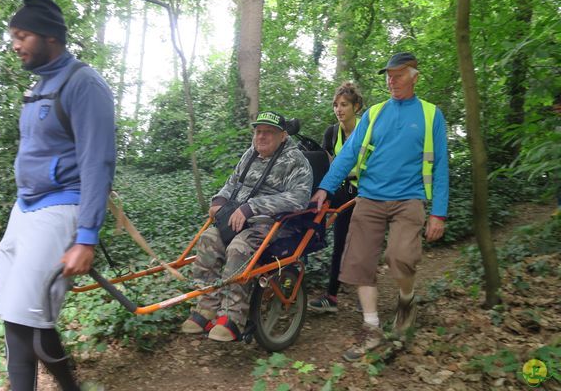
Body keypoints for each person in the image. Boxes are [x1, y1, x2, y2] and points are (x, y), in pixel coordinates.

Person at [0, 0, 116, 390]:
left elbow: (98, 164)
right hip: (25, 207)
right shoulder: (40, 86)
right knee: (18, 307)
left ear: (50, 37)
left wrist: (86, 237)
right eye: (13, 35)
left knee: (23, 317)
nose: (14, 44)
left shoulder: (84, 84)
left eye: (22, 35)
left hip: (61, 207)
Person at [311, 52, 449, 361]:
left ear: (415, 75)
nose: (392, 79)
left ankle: (406, 300)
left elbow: (440, 166)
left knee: (400, 257)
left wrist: (438, 212)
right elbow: (347, 155)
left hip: (409, 198)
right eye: (389, 74)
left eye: (399, 74)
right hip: (370, 197)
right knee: (359, 263)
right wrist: (325, 187)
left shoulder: (430, 115)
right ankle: (371, 328)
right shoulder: (374, 114)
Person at [180, 111, 313, 342]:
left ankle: (233, 317)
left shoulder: (296, 161)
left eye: (268, 132)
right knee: (208, 239)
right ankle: (206, 308)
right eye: (258, 131)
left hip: (272, 224)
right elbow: (232, 183)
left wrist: (253, 207)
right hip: (236, 218)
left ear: (282, 136)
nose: (261, 137)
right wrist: (219, 201)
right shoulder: (251, 154)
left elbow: (299, 198)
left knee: (238, 248)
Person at [308, 82, 364, 313]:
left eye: (344, 105)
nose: (339, 110)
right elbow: (326, 164)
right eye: (336, 105)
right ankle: (331, 296)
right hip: (340, 191)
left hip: (366, 193)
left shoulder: (368, 128)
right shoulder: (332, 132)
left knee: (363, 243)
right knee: (339, 241)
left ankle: (364, 294)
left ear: (356, 107)